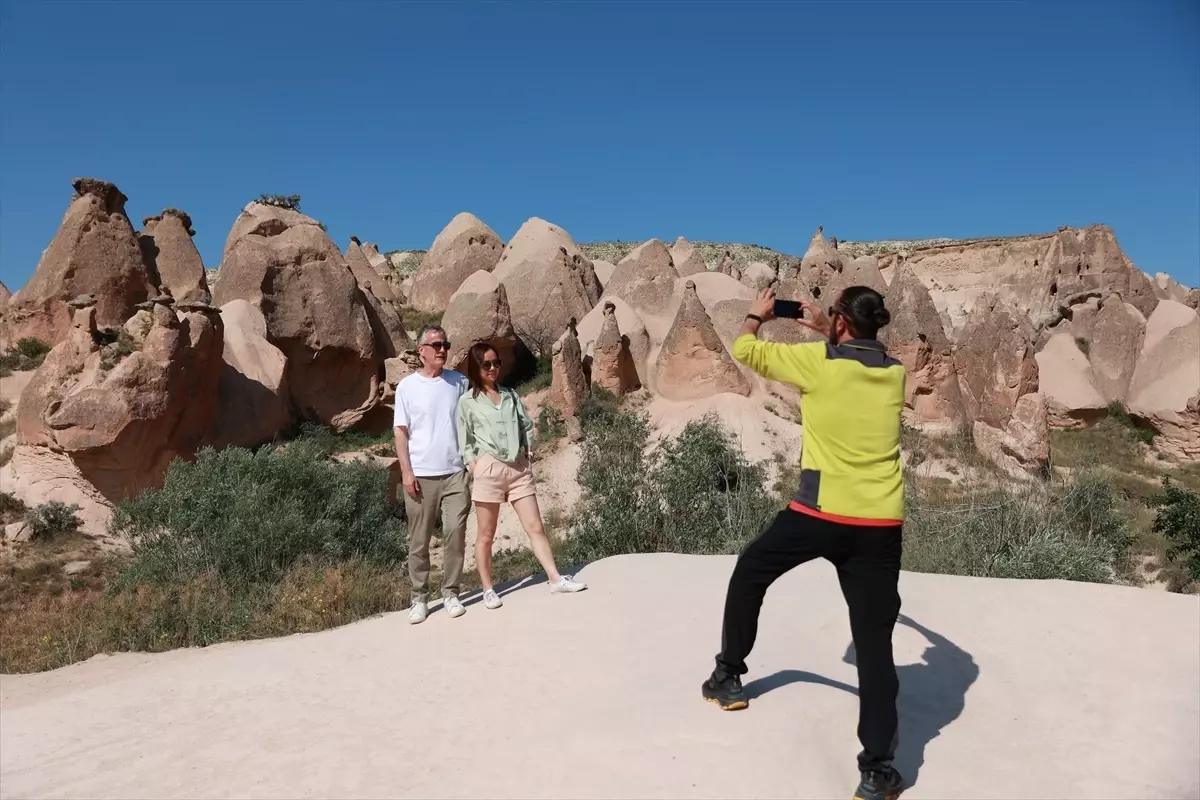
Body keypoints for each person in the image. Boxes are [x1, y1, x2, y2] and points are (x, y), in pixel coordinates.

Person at [700, 285, 907, 800]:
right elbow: (864, 357)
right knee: (875, 646)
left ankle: (727, 675)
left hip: (819, 513)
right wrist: (829, 329)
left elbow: (745, 350)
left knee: (751, 571)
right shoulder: (894, 373)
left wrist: (758, 314)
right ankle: (878, 769)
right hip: (879, 525)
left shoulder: (817, 363)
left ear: (839, 323)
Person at [456, 342, 587, 608]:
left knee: (536, 527)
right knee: (486, 534)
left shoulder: (510, 395)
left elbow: (526, 424)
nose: (493, 368)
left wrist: (528, 452)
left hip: (517, 468)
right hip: (488, 470)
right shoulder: (467, 402)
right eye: (487, 364)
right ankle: (488, 589)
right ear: (476, 368)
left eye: (496, 363)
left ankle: (555, 579)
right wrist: (475, 466)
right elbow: (465, 441)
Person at [394, 325, 470, 625]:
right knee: (419, 541)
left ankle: (451, 593)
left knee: (455, 534)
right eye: (436, 345)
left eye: (445, 344)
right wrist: (406, 472)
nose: (442, 350)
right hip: (420, 476)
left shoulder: (459, 382)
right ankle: (419, 598)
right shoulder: (406, 388)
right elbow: (400, 432)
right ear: (421, 350)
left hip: (455, 474)